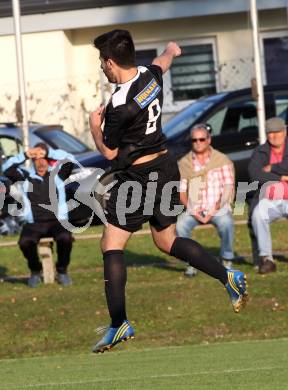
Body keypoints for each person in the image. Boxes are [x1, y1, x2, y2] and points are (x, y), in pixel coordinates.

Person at [89, 29, 248, 354]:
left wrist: (94, 126)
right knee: (166, 240)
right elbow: (162, 62)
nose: (101, 68)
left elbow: (108, 153)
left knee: (111, 243)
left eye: (100, 62)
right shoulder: (148, 76)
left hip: (140, 177)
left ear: (109, 62)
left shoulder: (120, 105)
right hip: (166, 167)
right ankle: (227, 276)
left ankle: (119, 322)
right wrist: (172, 51)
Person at [3, 143, 75, 287]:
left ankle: (62, 271)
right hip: (34, 223)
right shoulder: (25, 176)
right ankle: (35, 270)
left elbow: (70, 159)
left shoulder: (58, 174)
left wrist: (49, 152)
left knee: (65, 238)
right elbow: (6, 169)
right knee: (24, 243)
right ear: (33, 161)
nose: (40, 162)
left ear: (48, 160)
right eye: (37, 159)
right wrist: (25, 155)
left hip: (57, 221)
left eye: (43, 158)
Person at [176, 123, 235, 277]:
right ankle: (191, 263)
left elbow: (228, 190)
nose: (198, 143)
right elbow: (181, 192)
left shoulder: (222, 160)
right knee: (180, 225)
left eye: (202, 139)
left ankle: (227, 259)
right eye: (194, 140)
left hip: (217, 207)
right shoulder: (184, 163)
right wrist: (194, 211)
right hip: (195, 208)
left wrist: (213, 210)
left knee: (226, 223)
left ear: (209, 140)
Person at [248, 117, 288, 274]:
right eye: (270, 133)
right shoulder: (260, 151)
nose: (274, 136)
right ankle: (267, 259)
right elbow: (254, 175)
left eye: (278, 132)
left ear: (284, 132)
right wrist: (282, 178)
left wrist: (272, 167)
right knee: (258, 214)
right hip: (270, 199)